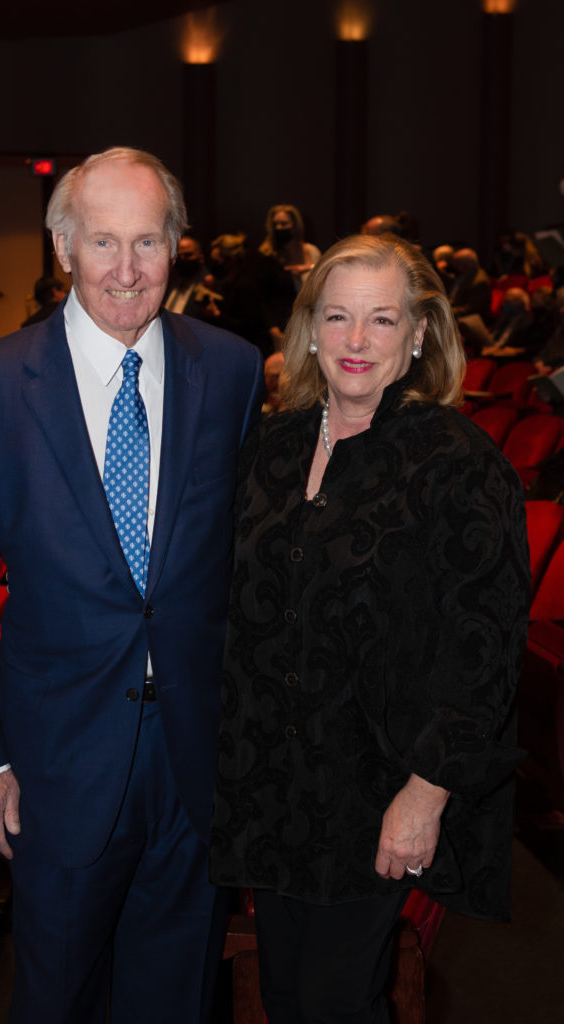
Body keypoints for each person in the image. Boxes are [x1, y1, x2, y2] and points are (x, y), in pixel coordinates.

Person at [0, 146, 264, 1024]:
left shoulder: (232, 372)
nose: (126, 270)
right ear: (62, 245)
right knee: (57, 997)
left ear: (177, 246)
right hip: (55, 762)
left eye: (147, 242)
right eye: (104, 242)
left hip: (195, 757)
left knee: (174, 996)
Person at [210, 234, 530, 1024]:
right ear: (310, 326)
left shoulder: (458, 462)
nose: (356, 343)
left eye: (381, 321)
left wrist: (425, 793)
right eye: (339, 317)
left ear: (418, 335)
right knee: (283, 995)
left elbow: (482, 648)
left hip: (376, 790)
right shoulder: (270, 448)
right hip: (270, 783)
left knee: (335, 1002)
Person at [256, 204, 321, 350]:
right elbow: (262, 298)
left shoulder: (311, 251)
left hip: (311, 323)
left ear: (294, 225)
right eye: (275, 224)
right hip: (283, 325)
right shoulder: (267, 255)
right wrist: (272, 328)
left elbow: (323, 285)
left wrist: (307, 269)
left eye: (283, 224)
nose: (279, 228)